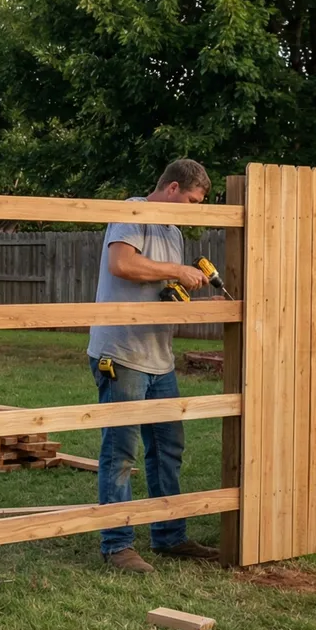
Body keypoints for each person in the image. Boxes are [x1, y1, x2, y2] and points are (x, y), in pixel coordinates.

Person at [88, 158, 219, 573]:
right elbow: (122, 265)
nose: (194, 210)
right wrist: (177, 270)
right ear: (174, 188)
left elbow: (161, 287)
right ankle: (117, 544)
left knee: (167, 447)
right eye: (194, 201)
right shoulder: (133, 211)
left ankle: (169, 535)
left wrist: (193, 298)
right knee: (120, 449)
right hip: (121, 353)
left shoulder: (174, 232)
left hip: (159, 357)